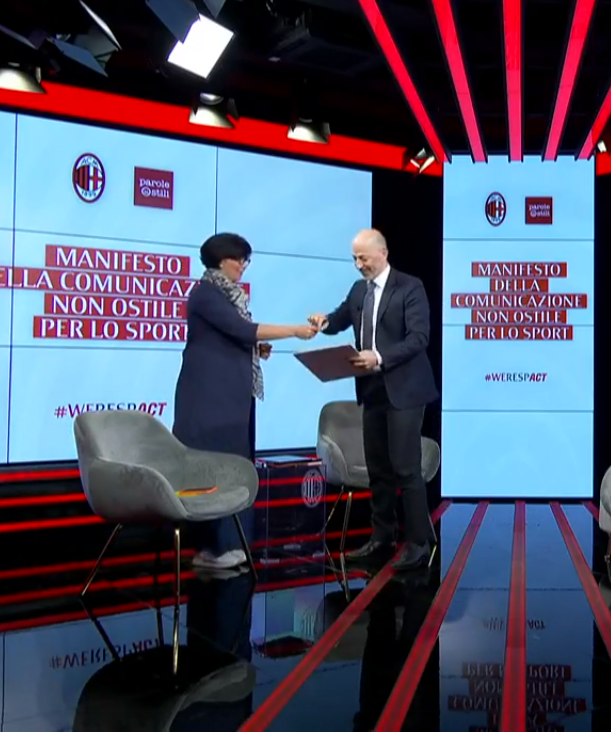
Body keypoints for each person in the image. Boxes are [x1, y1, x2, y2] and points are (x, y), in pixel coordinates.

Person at [174, 232, 316, 570]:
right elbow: (242, 330)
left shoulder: (227, 295)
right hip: (209, 400)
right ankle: (212, 548)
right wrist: (295, 330)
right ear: (223, 260)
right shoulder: (206, 294)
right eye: (240, 260)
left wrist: (255, 349)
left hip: (230, 398)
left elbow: (233, 336)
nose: (243, 267)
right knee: (214, 469)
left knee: (234, 467)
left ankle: (227, 545)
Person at [310, 229, 438, 571]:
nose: (358, 264)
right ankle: (382, 537)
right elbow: (339, 320)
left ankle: (419, 543)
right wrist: (323, 322)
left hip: (405, 390)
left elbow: (419, 338)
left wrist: (378, 357)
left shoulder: (409, 287)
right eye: (354, 258)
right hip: (371, 390)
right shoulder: (358, 290)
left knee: (405, 468)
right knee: (378, 469)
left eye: (363, 257)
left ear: (383, 253)